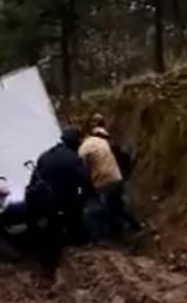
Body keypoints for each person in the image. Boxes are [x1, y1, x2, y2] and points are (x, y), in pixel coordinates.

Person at [24, 127, 91, 267]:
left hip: (41, 202)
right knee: (69, 227)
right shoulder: (74, 159)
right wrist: (81, 201)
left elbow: (33, 180)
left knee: (48, 232)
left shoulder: (46, 155)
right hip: (61, 203)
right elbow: (83, 183)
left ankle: (45, 262)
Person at [79, 114, 142, 239]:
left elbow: (80, 163)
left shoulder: (88, 145)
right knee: (116, 206)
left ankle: (112, 236)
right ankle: (135, 228)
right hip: (116, 177)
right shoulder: (106, 142)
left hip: (105, 180)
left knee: (106, 209)